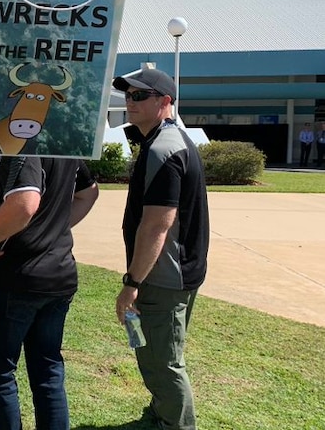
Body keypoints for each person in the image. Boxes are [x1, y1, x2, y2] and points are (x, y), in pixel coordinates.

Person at [0, 156, 99, 430]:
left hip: (17, 277)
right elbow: (89, 193)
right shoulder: (64, 144)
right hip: (59, 274)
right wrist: (53, 229)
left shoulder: (24, 140)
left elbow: (25, 203)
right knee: (48, 371)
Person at [111, 68, 209, 430]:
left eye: (139, 96)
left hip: (164, 275)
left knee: (163, 360)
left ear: (165, 102)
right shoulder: (167, 141)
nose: (129, 102)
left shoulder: (164, 149)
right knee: (158, 352)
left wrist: (132, 281)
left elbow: (157, 224)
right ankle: (162, 414)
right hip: (177, 270)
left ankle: (175, 424)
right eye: (128, 95)